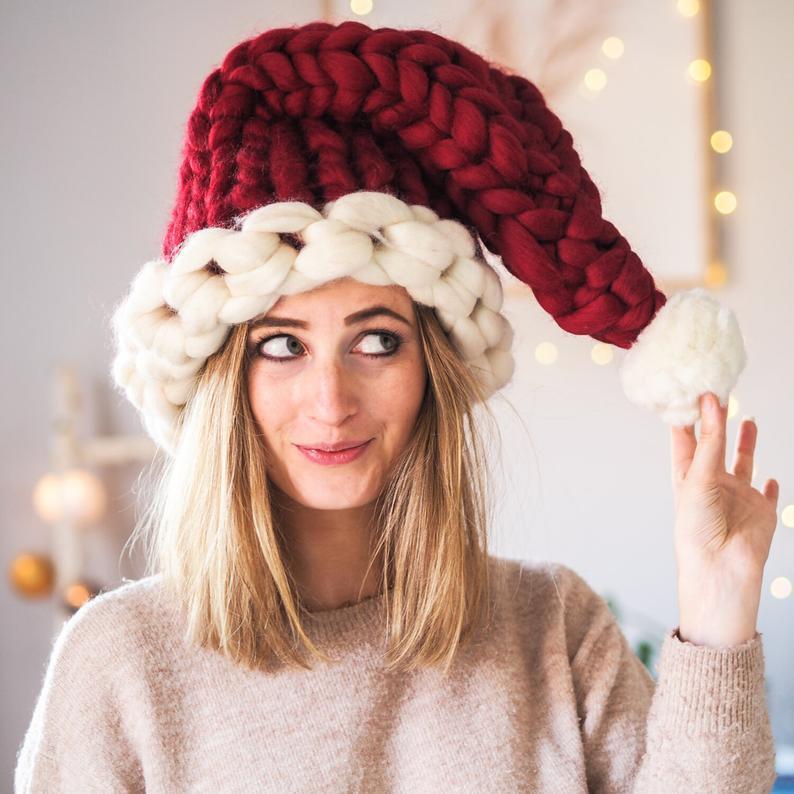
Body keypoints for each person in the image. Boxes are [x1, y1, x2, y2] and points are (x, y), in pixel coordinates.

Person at [15, 19, 780, 793]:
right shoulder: (120, 663)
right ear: (223, 380)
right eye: (281, 345)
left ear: (432, 369)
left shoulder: (555, 629)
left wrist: (718, 607)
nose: (331, 399)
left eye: (376, 341)